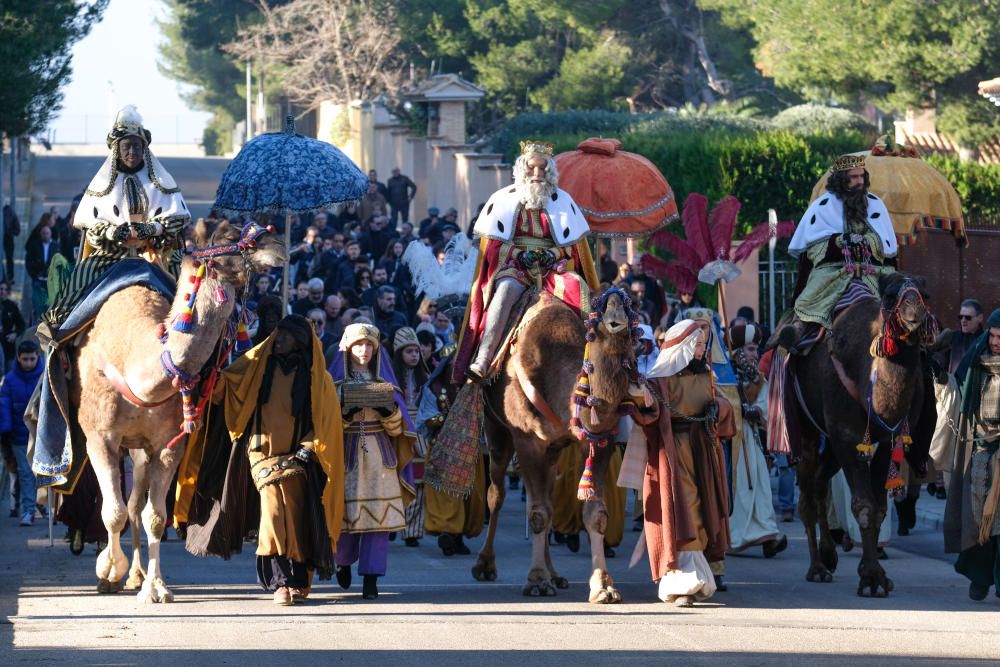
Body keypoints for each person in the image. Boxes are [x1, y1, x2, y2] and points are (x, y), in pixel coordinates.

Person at [192, 315, 344, 606]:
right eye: (278, 335)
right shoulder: (256, 369)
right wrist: (210, 367)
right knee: (274, 517)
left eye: (285, 336)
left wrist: (309, 447)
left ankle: (299, 581)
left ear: (299, 340)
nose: (278, 340)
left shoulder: (318, 379)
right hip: (262, 455)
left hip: (300, 459)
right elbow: (226, 388)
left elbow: (325, 422)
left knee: (297, 521)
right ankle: (280, 582)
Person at [455, 140, 599, 381]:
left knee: (578, 286)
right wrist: (519, 255)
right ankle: (484, 357)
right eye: (532, 168)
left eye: (542, 169)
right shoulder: (503, 200)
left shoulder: (563, 201)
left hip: (552, 268)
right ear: (522, 169)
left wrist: (555, 255)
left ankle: (593, 353)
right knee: (504, 292)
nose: (537, 174)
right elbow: (494, 247)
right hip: (516, 266)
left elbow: (572, 246)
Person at [40, 106, 190, 336]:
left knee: (188, 282)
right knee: (80, 277)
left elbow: (176, 218)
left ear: (144, 148)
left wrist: (152, 228)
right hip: (111, 255)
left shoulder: (161, 181)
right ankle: (59, 334)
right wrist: (112, 232)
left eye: (137, 146)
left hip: (154, 252)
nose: (132, 151)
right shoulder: (102, 184)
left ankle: (198, 329)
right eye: (126, 146)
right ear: (117, 150)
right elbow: (90, 225)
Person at [633, 319, 734, 606]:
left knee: (703, 508)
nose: (703, 349)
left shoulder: (707, 375)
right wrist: (644, 403)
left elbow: (726, 406)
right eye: (698, 344)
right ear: (683, 347)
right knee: (683, 508)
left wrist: (720, 408)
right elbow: (648, 416)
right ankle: (681, 578)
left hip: (702, 450)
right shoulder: (660, 379)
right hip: (673, 451)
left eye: (704, 344)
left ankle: (697, 576)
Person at [331, 323, 416, 600]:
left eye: (369, 345)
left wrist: (388, 411)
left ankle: (371, 579)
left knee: (379, 524)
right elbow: (325, 425)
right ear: (348, 347)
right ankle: (342, 563)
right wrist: (345, 413)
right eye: (358, 344)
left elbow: (398, 431)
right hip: (346, 455)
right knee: (344, 519)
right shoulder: (333, 383)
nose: (364, 350)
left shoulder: (387, 384)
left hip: (381, 457)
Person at [776, 154, 897, 348]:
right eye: (854, 177)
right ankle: (801, 325)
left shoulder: (875, 204)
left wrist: (867, 241)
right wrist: (840, 241)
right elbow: (813, 248)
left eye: (861, 176)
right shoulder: (822, 207)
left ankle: (920, 338)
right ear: (841, 180)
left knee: (904, 291)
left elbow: (886, 246)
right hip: (834, 269)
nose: (860, 181)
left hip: (871, 270)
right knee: (811, 294)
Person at [945, 308, 1000, 601]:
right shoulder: (978, 363)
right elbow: (962, 392)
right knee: (980, 520)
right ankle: (979, 576)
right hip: (982, 450)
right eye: (992, 335)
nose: (995, 341)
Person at [726, 323, 787, 558]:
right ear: (738, 351)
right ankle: (734, 537)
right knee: (739, 490)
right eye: (750, 349)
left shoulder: (759, 379)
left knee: (760, 487)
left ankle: (768, 536)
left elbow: (766, 408)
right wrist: (737, 407)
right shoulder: (723, 375)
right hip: (730, 442)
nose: (756, 354)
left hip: (750, 439)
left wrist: (755, 412)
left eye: (756, 349)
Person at [418, 351, 485, 555]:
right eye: (453, 366)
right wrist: (445, 418)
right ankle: (447, 532)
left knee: (470, 497)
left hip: (469, 451)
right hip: (442, 449)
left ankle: (459, 536)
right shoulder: (434, 389)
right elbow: (426, 419)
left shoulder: (475, 390)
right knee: (445, 494)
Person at [930, 298, 986, 499]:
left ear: (980, 318)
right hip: (953, 404)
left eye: (968, 317)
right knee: (950, 459)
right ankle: (951, 504)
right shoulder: (952, 338)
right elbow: (940, 367)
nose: (963, 320)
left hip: (980, 408)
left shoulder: (988, 341)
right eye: (960, 316)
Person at [392, 328, 429, 547]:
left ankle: (413, 531)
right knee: (397, 481)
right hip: (397, 433)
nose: (414, 355)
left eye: (416, 351)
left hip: (421, 433)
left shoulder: (425, 379)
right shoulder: (390, 381)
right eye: (409, 351)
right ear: (399, 354)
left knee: (420, 483)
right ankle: (394, 523)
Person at [0, 341, 44, 526]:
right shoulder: (10, 380)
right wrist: (5, 431)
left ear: (38, 357)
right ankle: (28, 510)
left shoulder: (45, 377)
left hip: (42, 434)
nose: (28, 363)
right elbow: (4, 407)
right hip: (18, 436)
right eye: (25, 359)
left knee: (43, 472)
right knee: (25, 473)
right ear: (18, 358)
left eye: (32, 359)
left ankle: (46, 506)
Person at [25, 223, 61, 318]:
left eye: (47, 233)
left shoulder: (56, 246)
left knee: (50, 304)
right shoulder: (34, 245)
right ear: (41, 234)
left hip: (51, 281)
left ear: (50, 234)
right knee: (37, 304)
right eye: (43, 233)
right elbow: (28, 260)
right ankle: (36, 323)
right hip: (38, 279)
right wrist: (33, 274)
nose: (45, 235)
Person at [0, 281, 25, 371]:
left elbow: (21, 325)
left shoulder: (12, 306)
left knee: (10, 370)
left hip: (8, 343)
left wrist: (15, 334)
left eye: (5, 289)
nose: (2, 292)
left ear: (8, 292)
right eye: (0, 289)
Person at [2, 203, 20, 281]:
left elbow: (17, 230)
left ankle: (10, 276)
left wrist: (10, 233)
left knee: (9, 258)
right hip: (6, 237)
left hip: (7, 238)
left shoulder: (10, 211)